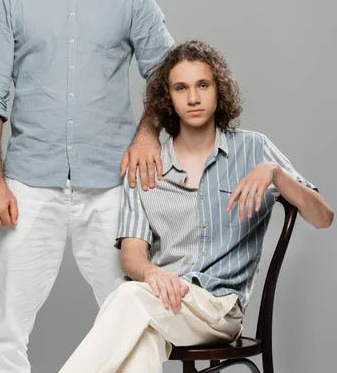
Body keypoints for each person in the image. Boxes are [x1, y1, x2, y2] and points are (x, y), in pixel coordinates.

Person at [0, 0, 174, 373]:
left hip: (111, 184)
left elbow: (169, 74)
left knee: (131, 322)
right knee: (6, 329)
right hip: (28, 185)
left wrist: (148, 131)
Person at [58, 40, 334, 373]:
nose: (193, 98)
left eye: (203, 85)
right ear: (168, 98)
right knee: (138, 344)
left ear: (219, 90)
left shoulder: (253, 149)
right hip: (161, 301)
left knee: (128, 298)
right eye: (181, 87)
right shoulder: (147, 166)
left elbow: (323, 217)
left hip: (218, 311)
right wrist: (153, 273)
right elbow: (131, 255)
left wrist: (276, 173)